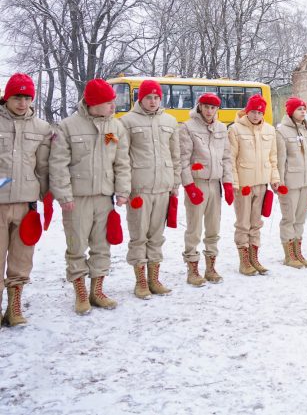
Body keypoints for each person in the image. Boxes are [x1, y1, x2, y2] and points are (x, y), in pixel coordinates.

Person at [50, 79, 131, 315]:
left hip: (104, 198)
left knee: (101, 246)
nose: (113, 107)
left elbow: (122, 163)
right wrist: (64, 195)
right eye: (108, 103)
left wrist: (123, 191)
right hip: (77, 199)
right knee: (76, 247)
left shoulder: (115, 128)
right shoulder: (67, 127)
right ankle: (81, 293)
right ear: (93, 103)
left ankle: (97, 291)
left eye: (113, 102)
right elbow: (58, 165)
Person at [120, 79, 181, 299]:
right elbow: (122, 158)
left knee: (156, 236)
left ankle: (154, 279)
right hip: (140, 188)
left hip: (163, 188)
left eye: (156, 97)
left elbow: (175, 156)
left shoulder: (170, 121)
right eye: (149, 97)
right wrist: (125, 188)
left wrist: (175, 183)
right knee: (139, 236)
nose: (153, 101)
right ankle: (140, 282)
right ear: (140, 98)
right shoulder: (126, 122)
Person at [0, 73, 51, 326]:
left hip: (25, 205)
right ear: (7, 97)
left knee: (22, 260)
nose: (22, 103)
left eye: (27, 97)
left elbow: (42, 167)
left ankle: (14, 307)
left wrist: (46, 197)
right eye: (18, 97)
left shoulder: (42, 128)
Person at [178, 92, 233, 286]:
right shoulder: (187, 127)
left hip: (215, 184)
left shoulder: (221, 128)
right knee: (194, 228)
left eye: (213, 107)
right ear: (199, 106)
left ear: (217, 109)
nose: (209, 111)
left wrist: (228, 183)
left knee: (213, 227)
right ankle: (192, 267)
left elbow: (226, 157)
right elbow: (183, 159)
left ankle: (211, 266)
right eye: (206, 107)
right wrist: (189, 185)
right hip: (198, 183)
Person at [228, 94, 279, 276]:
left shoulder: (270, 130)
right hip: (243, 184)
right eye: (253, 111)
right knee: (243, 223)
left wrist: (275, 179)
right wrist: (233, 182)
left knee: (256, 223)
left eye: (259, 112)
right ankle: (244, 261)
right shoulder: (235, 130)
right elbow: (231, 159)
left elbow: (273, 157)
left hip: (261, 184)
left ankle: (254, 258)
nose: (256, 115)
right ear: (247, 111)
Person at [275, 97, 307, 269]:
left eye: (304, 109)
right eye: (299, 109)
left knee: (300, 218)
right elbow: (280, 160)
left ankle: (297, 251)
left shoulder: (306, 130)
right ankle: (289, 254)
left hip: (306, 181)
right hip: (290, 182)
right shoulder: (282, 131)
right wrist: (280, 182)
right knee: (289, 219)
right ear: (291, 111)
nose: (303, 112)